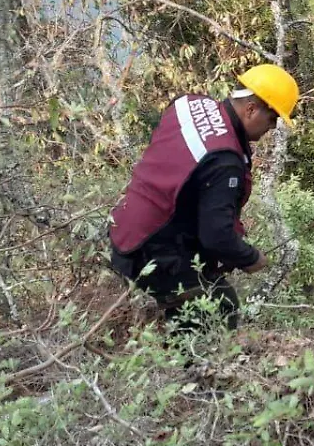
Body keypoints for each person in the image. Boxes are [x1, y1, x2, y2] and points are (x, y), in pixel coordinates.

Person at [108, 64, 300, 331]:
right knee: (222, 306)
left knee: (207, 281)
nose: (272, 128)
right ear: (252, 109)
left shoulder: (189, 104)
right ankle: (190, 367)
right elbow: (216, 235)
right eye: (272, 119)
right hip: (147, 249)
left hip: (123, 227)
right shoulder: (225, 160)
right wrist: (249, 257)